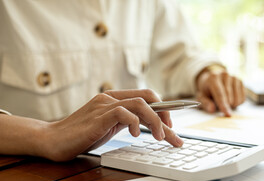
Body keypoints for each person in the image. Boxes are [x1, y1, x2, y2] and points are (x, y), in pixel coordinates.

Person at [0, 0, 245, 161]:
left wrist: (206, 73)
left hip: (122, 166)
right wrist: (46, 134)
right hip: (25, 179)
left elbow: (181, 55)